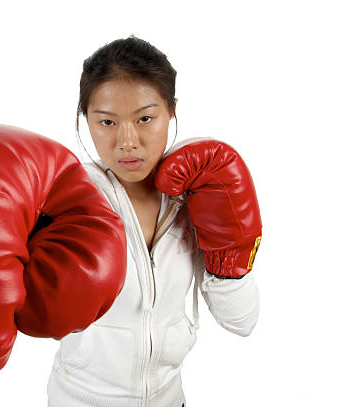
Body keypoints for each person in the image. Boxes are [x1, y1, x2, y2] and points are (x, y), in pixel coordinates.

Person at [46, 35, 260, 407]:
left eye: (145, 118)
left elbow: (241, 321)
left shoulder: (199, 192)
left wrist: (230, 259)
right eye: (107, 122)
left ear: (172, 110)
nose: (127, 140)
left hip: (169, 399)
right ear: (86, 119)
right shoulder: (65, 197)